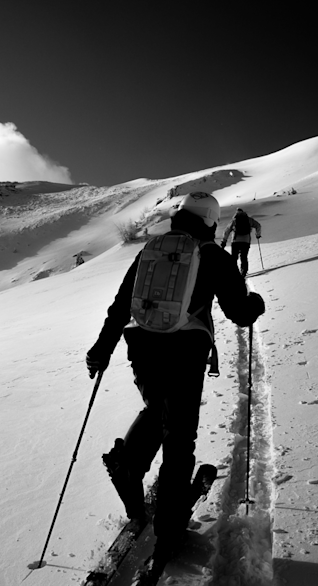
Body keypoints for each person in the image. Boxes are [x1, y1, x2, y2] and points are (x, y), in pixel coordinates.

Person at [85, 192, 265, 564]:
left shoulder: (151, 249)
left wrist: (101, 349)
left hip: (142, 347)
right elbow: (239, 313)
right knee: (180, 437)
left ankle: (130, 464)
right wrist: (256, 304)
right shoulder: (213, 254)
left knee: (157, 407)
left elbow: (121, 305)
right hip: (185, 351)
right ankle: (168, 530)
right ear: (210, 220)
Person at [221, 208, 262, 276]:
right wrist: (258, 235)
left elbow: (227, 231)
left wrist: (224, 241)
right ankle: (244, 272)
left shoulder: (234, 220)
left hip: (235, 241)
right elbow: (258, 226)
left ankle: (234, 272)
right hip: (246, 241)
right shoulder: (249, 220)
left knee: (234, 258)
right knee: (244, 257)